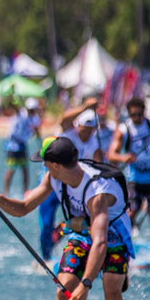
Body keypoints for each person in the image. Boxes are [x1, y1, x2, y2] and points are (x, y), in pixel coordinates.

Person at [0, 136, 134, 300]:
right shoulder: (54, 178)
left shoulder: (96, 191)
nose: (43, 167)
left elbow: (100, 243)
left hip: (113, 237)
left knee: (111, 291)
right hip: (83, 235)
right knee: (63, 293)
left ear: (55, 165)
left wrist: (86, 285)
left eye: (45, 163)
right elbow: (24, 207)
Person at [36, 101, 106, 260]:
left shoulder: (94, 141)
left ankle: (64, 233)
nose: (86, 133)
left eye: (90, 130)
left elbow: (98, 164)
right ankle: (45, 259)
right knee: (46, 224)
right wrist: (84, 107)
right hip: (51, 183)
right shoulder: (68, 132)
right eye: (84, 128)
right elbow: (63, 119)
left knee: (82, 221)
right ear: (78, 125)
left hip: (72, 186)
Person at [108, 97, 150, 244]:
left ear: (144, 112)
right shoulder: (123, 130)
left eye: (139, 114)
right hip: (136, 180)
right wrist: (123, 157)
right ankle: (123, 246)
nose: (137, 118)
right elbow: (112, 154)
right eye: (133, 115)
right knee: (130, 215)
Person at [2, 98, 41, 196]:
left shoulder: (35, 118)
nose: (31, 111)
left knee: (25, 169)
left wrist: (40, 142)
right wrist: (11, 96)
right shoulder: (21, 113)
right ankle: (6, 192)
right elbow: (14, 106)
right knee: (11, 168)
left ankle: (25, 192)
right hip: (12, 144)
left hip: (22, 145)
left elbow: (36, 130)